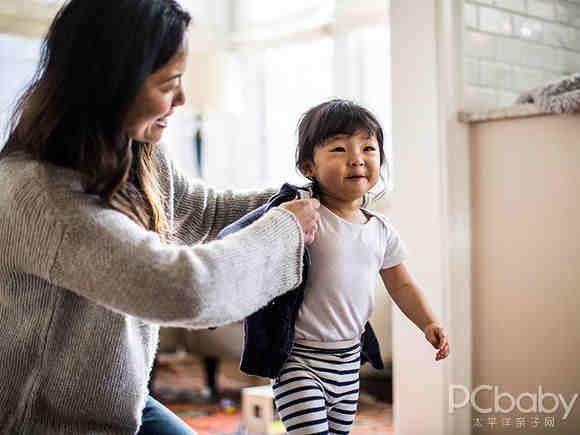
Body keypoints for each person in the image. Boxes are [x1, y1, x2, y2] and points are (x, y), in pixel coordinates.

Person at [0, 1, 320, 434]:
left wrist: (309, 194)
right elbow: (184, 289)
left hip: (120, 403)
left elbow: (204, 212)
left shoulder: (136, 155)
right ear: (112, 84)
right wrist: (285, 231)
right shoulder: (36, 195)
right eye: (169, 82)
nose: (183, 99)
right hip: (41, 422)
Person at [222, 99, 451, 435]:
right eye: (340, 149)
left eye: (368, 148)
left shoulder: (380, 229)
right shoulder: (300, 215)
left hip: (347, 363)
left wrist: (428, 321)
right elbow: (246, 243)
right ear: (308, 167)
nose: (357, 158)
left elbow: (401, 285)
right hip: (299, 361)